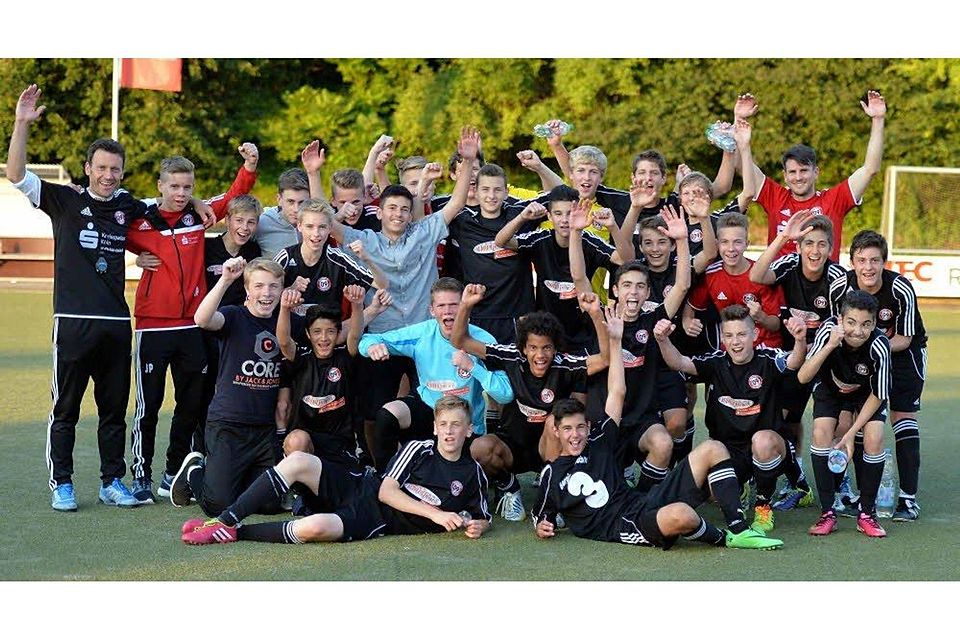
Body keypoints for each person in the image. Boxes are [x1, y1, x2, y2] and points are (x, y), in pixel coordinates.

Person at [6, 84, 205, 511]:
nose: (108, 175)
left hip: (117, 323)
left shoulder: (129, 206)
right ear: (88, 168)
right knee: (67, 409)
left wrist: (198, 198)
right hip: (73, 320)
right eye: (102, 168)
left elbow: (174, 199)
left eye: (115, 169)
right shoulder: (62, 200)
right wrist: (21, 124)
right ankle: (62, 482)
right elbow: (16, 175)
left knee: (113, 409)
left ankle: (111, 481)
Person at [532, 304, 783, 550]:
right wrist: (542, 525)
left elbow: (617, 392)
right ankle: (724, 538)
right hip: (625, 523)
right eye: (567, 429)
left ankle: (739, 529)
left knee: (713, 448)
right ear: (556, 431)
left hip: (641, 501)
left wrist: (616, 342)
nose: (575, 435)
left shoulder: (599, 439)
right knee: (682, 515)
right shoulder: (552, 474)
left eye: (579, 428)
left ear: (588, 426)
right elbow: (542, 514)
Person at [327, 127, 481, 465]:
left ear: (412, 212)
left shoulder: (425, 232)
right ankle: (375, 465)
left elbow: (455, 203)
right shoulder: (363, 240)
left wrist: (468, 162)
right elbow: (326, 222)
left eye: (404, 209)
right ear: (378, 211)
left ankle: (429, 462)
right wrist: (316, 175)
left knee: (431, 402)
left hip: (425, 335)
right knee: (374, 407)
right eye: (391, 208)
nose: (398, 214)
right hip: (383, 336)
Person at [124, 146, 259, 504]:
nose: (181, 194)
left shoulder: (198, 217)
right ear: (160, 186)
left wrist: (249, 166)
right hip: (153, 327)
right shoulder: (140, 219)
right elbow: (111, 226)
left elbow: (233, 197)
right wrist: (137, 253)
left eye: (188, 187)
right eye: (175, 187)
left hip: (191, 326)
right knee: (147, 406)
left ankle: (172, 473)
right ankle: (140, 475)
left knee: (190, 405)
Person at [179, 396, 491, 545]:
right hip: (363, 489)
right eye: (444, 425)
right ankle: (224, 518)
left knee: (314, 528)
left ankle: (233, 533)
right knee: (299, 460)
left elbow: (483, 517)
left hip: (374, 519)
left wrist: (477, 526)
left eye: (457, 426)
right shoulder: (419, 449)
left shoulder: (473, 473)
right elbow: (386, 490)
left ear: (469, 430)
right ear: (435, 428)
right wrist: (434, 514)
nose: (450, 432)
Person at [452, 284, 610, 520]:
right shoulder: (510, 356)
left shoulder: (565, 365)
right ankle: (509, 487)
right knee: (479, 449)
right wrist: (465, 306)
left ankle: (552, 500)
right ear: (523, 348)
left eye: (547, 347)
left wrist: (596, 315)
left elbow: (606, 358)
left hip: (550, 448)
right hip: (511, 445)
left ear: (555, 348)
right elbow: (461, 340)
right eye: (533, 348)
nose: (540, 355)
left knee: (554, 422)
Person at [654, 304, 811, 534]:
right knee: (712, 494)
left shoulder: (767, 359)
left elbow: (793, 362)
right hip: (729, 451)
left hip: (768, 443)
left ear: (754, 334)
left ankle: (763, 506)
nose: (735, 341)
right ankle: (741, 485)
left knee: (762, 441)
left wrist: (799, 340)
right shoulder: (715, 362)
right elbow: (678, 362)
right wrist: (662, 340)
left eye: (741, 334)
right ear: (722, 337)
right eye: (729, 335)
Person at [571, 203, 691, 490]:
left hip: (641, 418)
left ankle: (644, 499)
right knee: (599, 484)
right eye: (626, 285)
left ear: (648, 292)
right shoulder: (600, 317)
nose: (633, 292)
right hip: (604, 420)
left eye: (640, 286)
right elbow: (579, 278)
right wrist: (576, 233)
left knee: (663, 443)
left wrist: (683, 241)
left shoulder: (654, 318)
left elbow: (682, 286)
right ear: (615, 290)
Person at [168, 257, 287, 517]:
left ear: (281, 290)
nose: (266, 293)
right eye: (258, 286)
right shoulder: (234, 316)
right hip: (228, 425)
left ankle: (234, 478)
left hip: (263, 430)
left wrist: (367, 311)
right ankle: (194, 471)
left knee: (269, 506)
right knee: (218, 506)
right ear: (247, 289)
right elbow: (202, 319)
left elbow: (332, 333)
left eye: (273, 286)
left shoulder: (284, 321)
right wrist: (225, 279)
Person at [356, 278, 514, 470]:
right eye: (441, 305)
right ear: (432, 310)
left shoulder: (482, 340)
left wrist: (474, 368)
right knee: (388, 415)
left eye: (454, 305)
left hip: (465, 420)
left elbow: (505, 394)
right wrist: (372, 347)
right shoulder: (422, 334)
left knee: (469, 468)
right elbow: (367, 339)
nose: (447, 311)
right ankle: (386, 480)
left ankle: (494, 486)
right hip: (429, 411)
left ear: (465, 306)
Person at [748, 209, 847, 510]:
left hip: (830, 356)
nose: (814, 250)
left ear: (830, 248)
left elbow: (842, 326)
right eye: (808, 243)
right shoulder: (789, 263)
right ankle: (796, 478)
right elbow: (756, 275)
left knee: (836, 422)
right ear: (799, 246)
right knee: (787, 419)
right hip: (796, 354)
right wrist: (783, 238)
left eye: (821, 244)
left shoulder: (837, 277)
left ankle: (840, 483)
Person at [829, 230, 927, 521]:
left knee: (902, 418)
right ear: (852, 262)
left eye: (874, 260)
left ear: (884, 262)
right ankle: (864, 494)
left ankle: (908, 499)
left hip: (904, 356)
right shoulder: (839, 288)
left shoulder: (900, 289)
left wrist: (870, 343)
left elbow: (905, 338)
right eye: (862, 260)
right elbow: (839, 330)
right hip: (860, 357)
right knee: (862, 419)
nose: (868, 267)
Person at [738, 90, 887, 260]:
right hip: (781, 283)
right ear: (785, 176)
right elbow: (742, 164)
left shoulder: (833, 200)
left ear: (816, 172)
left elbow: (870, 169)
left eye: (804, 170)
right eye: (792, 172)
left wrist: (878, 119)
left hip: (823, 284)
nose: (798, 177)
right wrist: (739, 120)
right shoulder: (775, 197)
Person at [798, 290, 892, 538]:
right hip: (830, 389)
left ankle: (866, 514)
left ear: (874, 323)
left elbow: (879, 394)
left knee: (874, 437)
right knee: (821, 432)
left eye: (866, 324)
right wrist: (830, 344)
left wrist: (851, 434)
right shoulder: (828, 330)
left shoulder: (880, 345)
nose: (858, 331)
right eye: (851, 322)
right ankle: (828, 512)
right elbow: (803, 376)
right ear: (840, 319)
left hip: (866, 394)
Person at [494, 187, 634, 351]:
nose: (565, 219)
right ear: (549, 216)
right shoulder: (541, 239)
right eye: (558, 214)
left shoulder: (589, 240)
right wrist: (522, 217)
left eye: (570, 213)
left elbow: (625, 259)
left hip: (584, 329)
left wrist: (612, 227)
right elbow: (501, 241)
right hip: (547, 330)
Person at [683, 211, 784, 349]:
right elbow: (692, 305)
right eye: (725, 242)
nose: (731, 249)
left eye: (737, 242)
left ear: (747, 244)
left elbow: (776, 324)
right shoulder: (711, 274)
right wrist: (686, 320)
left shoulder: (761, 276)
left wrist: (761, 317)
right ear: (717, 244)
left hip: (763, 345)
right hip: (731, 346)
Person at [257, 168, 310, 258]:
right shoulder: (262, 222)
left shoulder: (316, 222)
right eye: (290, 202)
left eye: (302, 202)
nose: (296, 209)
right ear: (279, 199)